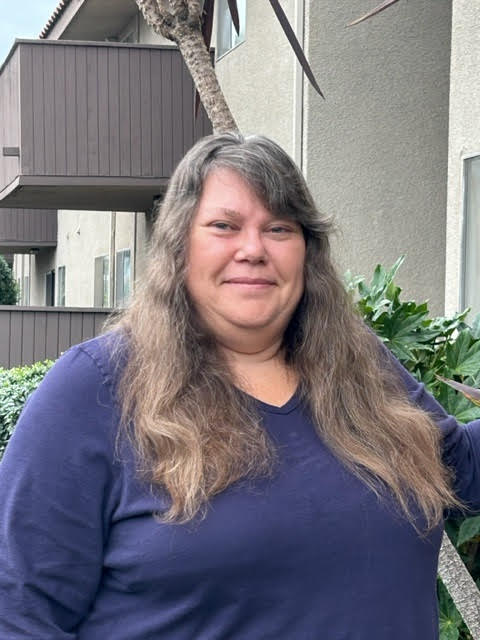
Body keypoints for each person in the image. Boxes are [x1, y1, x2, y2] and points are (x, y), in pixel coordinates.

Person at [0, 132, 479, 640]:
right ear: (179, 246)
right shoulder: (95, 390)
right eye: (224, 226)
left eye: (278, 227)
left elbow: (459, 469)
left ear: (306, 252)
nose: (253, 249)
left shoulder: (359, 367)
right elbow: (19, 611)